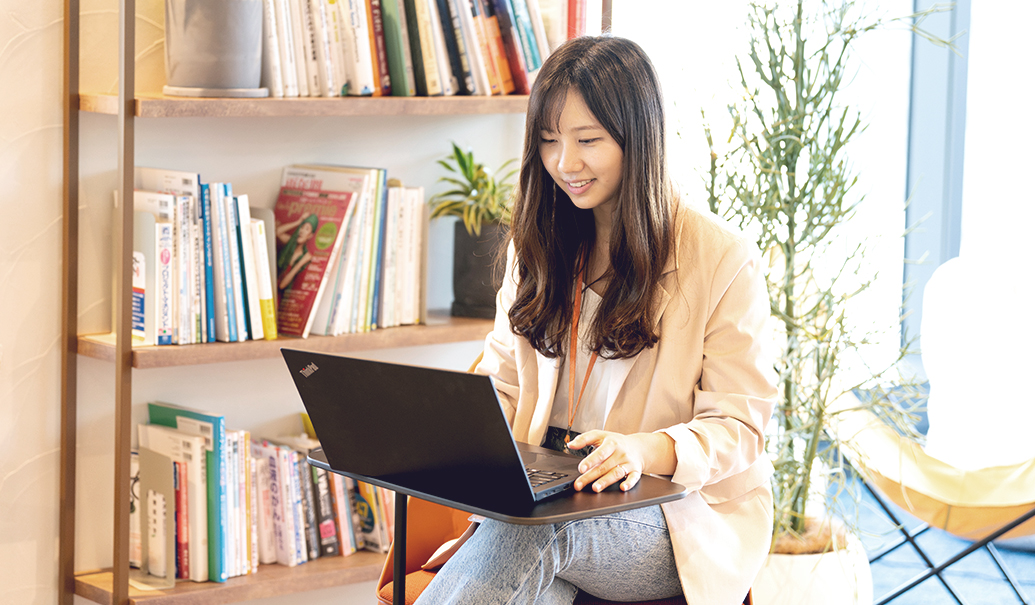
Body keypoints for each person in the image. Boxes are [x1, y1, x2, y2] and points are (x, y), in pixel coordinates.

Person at [416, 36, 776, 605]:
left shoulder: (722, 258)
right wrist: (451, 427)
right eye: (549, 140)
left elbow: (741, 427)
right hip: (546, 493)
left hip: (669, 513)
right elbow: (505, 380)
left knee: (536, 528)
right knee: (538, 558)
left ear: (639, 138)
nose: (565, 163)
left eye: (588, 140)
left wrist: (642, 449)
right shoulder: (534, 246)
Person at [276, 212, 319, 292]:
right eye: (301, 227)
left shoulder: (304, 257)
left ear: (310, 235)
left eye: (307, 229)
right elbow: (278, 232)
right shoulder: (290, 243)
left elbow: (282, 285)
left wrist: (300, 263)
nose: (302, 231)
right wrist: (298, 222)